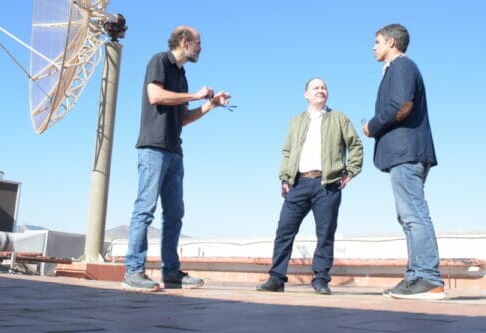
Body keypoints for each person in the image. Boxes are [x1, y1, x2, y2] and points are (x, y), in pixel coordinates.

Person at [122, 25, 231, 292]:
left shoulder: (182, 75)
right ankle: (133, 271)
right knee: (145, 209)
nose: (201, 48)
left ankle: (171, 272)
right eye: (198, 43)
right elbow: (155, 95)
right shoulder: (160, 60)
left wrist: (210, 104)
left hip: (174, 151)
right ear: (185, 41)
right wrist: (195, 95)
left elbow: (183, 118)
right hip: (153, 148)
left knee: (174, 214)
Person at [257, 78, 363, 295]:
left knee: (325, 233)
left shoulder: (339, 118)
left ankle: (321, 279)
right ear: (306, 94)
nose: (321, 90)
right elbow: (287, 151)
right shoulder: (296, 121)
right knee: (284, 230)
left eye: (324, 87)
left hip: (328, 185)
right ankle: (276, 278)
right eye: (316, 87)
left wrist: (350, 171)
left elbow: (355, 145)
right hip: (298, 183)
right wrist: (285, 178)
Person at [362, 23, 445, 300]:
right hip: (404, 154)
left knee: (414, 214)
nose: (373, 47)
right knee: (408, 215)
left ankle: (428, 278)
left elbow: (402, 105)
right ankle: (414, 279)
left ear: (391, 43)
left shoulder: (401, 66)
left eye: (377, 41)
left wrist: (372, 126)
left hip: (407, 153)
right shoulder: (396, 69)